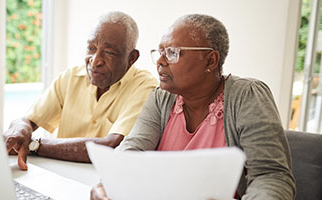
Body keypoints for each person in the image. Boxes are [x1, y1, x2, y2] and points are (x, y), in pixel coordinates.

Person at [91, 14, 296, 199]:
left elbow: (271, 177)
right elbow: (131, 150)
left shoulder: (247, 96)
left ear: (210, 60)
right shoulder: (161, 98)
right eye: (160, 52)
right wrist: (105, 185)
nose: (160, 61)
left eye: (172, 53)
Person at [4, 11, 157, 171]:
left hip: (103, 183)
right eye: (91, 48)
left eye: (109, 53)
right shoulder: (70, 77)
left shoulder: (145, 87)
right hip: (59, 174)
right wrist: (20, 130)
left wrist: (35, 145)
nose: (95, 61)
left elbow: (112, 145)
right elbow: (28, 120)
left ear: (132, 58)